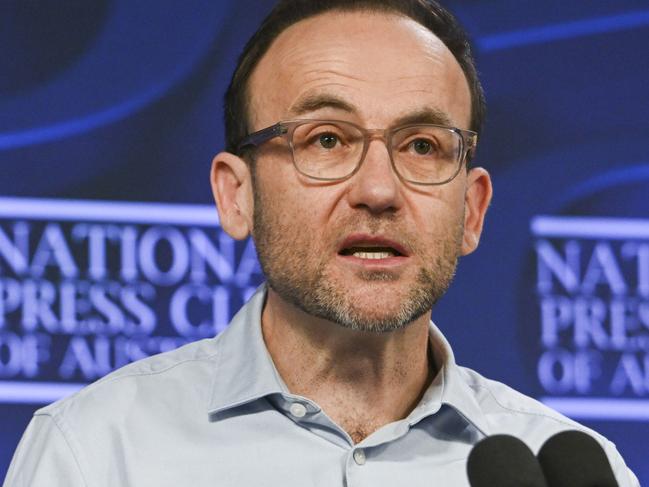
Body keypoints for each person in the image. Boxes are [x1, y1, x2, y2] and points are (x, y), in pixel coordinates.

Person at [3, 1, 640, 486]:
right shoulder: (95, 453)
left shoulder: (569, 469)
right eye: (326, 140)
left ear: (472, 211)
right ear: (237, 195)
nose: (378, 190)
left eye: (422, 146)